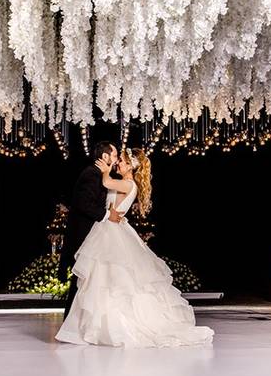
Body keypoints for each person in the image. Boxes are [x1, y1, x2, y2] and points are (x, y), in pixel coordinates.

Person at [55, 147, 214, 348]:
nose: (117, 163)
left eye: (120, 160)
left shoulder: (129, 184)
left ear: (130, 166)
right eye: (117, 159)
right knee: (103, 279)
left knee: (114, 279)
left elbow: (106, 183)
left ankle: (113, 326)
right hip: (109, 229)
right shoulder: (125, 182)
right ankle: (93, 326)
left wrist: (104, 169)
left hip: (112, 232)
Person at [60, 141, 123, 321]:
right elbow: (83, 204)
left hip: (95, 235)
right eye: (115, 155)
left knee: (88, 279)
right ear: (105, 157)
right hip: (83, 234)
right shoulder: (91, 174)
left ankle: (82, 322)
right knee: (81, 278)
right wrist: (107, 215)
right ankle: (71, 323)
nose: (117, 159)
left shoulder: (100, 175)